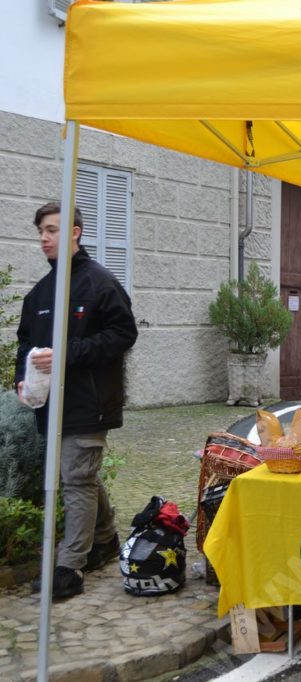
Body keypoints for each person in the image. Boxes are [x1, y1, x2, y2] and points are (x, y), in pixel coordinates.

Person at [16, 202, 138, 600]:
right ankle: (104, 539)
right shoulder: (39, 294)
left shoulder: (100, 283)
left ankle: (70, 566)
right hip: (51, 404)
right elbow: (25, 345)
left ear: (75, 232)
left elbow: (124, 334)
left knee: (76, 477)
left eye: (51, 230)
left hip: (90, 401)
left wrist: (68, 352)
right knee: (79, 474)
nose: (44, 239)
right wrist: (23, 379)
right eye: (41, 232)